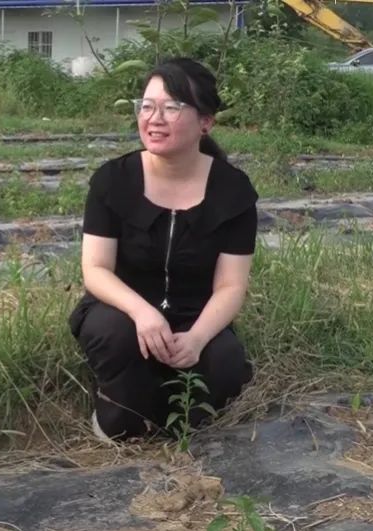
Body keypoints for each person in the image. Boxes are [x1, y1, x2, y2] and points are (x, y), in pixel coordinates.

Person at [68, 58, 258, 443]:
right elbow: (96, 269)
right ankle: (117, 409)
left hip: (193, 317)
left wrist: (198, 337)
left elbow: (231, 286)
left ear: (205, 122)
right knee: (119, 361)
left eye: (171, 107)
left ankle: (164, 401)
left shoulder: (233, 191)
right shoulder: (113, 180)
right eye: (147, 106)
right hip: (122, 312)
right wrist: (142, 312)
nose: (154, 118)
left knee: (223, 365)